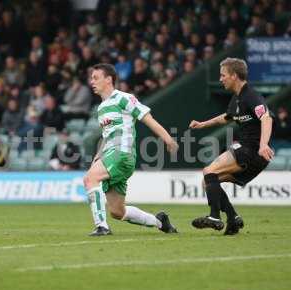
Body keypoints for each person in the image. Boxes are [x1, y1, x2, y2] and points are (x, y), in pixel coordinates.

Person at [83, 63, 179, 236]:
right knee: (117, 212)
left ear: (109, 79)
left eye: (95, 78)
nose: (92, 81)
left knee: (90, 179)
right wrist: (98, 156)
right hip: (111, 153)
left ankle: (101, 227)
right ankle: (160, 222)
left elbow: (147, 118)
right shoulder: (101, 108)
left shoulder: (123, 98)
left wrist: (167, 138)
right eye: (91, 78)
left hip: (122, 152)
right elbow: (107, 137)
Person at [189, 57, 274, 235]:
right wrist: (203, 124)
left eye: (223, 75)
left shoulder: (251, 96)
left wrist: (263, 144)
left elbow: (266, 117)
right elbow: (227, 117)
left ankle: (214, 216)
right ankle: (233, 218)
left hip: (251, 150)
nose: (221, 79)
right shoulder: (237, 99)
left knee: (209, 171)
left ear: (234, 76)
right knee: (209, 181)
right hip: (253, 155)